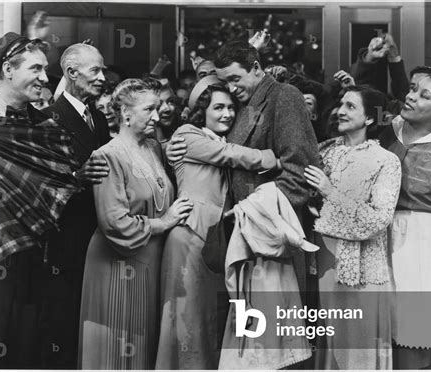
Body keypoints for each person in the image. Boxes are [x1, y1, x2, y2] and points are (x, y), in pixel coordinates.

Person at [167, 40, 319, 368]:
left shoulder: (284, 97)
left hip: (270, 238)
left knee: (277, 346)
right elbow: (215, 147)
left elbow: (300, 172)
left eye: (237, 79)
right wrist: (172, 147)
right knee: (251, 344)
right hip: (243, 240)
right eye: (226, 82)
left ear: (256, 67)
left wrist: (255, 218)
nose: (232, 89)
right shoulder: (243, 104)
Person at [156, 76, 281, 369]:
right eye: (218, 108)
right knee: (185, 317)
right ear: (203, 111)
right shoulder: (187, 134)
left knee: (207, 318)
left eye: (230, 108)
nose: (227, 113)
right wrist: (271, 158)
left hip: (214, 240)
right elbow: (229, 156)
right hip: (188, 236)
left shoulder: (219, 137)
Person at [78, 78, 193, 369]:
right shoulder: (107, 155)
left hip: (149, 262)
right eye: (149, 109)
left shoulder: (153, 147)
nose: (157, 115)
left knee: (141, 344)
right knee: (117, 349)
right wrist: (164, 222)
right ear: (126, 114)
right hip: (117, 264)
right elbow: (114, 223)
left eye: (158, 107)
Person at [0, 32, 78, 369]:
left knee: (30, 348)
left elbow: (60, 181)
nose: (44, 78)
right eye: (36, 68)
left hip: (37, 256)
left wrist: (81, 176)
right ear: (8, 70)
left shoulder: (45, 128)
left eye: (45, 70)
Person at [304, 85, 401, 369]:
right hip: (325, 263)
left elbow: (379, 219)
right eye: (341, 104)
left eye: (350, 106)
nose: (341, 111)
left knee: (358, 346)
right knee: (330, 343)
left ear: (370, 119)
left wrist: (329, 191)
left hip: (363, 267)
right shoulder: (325, 152)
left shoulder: (386, 161)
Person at [40, 43, 111, 368]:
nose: (102, 78)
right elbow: (39, 184)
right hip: (67, 243)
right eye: (95, 71)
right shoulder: (46, 120)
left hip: (100, 238)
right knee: (66, 326)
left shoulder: (97, 117)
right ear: (71, 73)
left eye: (102, 70)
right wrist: (75, 176)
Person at [379, 73, 431, 369]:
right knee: (373, 338)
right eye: (412, 89)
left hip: (420, 249)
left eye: (425, 95)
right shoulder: (386, 131)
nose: (411, 96)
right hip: (375, 239)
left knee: (412, 339)